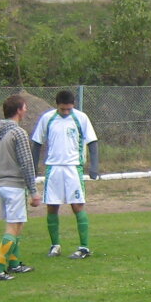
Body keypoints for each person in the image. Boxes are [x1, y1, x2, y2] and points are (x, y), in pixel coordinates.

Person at [31, 90, 99, 259]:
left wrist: (94, 166)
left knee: (77, 206)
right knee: (52, 206)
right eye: (63, 109)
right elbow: (37, 143)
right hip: (53, 168)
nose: (66, 112)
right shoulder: (48, 118)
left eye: (69, 109)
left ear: (73, 105)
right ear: (57, 105)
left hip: (73, 168)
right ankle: (55, 245)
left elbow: (92, 141)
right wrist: (33, 167)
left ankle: (84, 247)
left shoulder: (81, 118)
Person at [0, 94, 42, 281]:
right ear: (18, 110)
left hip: (1, 185)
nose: (26, 110)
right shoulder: (18, 133)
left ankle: (14, 263)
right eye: (24, 107)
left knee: (18, 224)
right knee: (13, 227)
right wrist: (34, 191)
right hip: (14, 186)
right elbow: (26, 163)